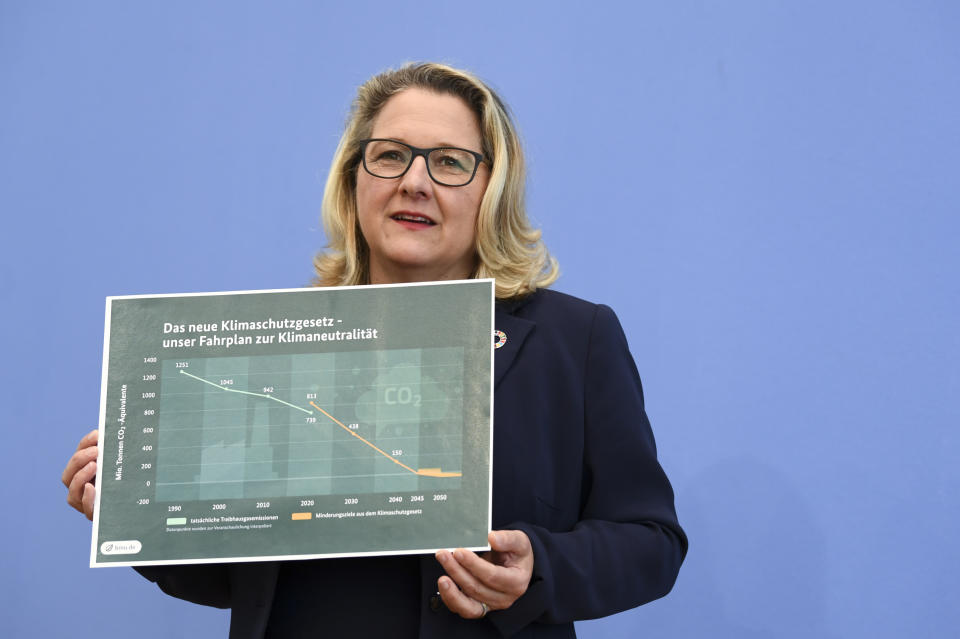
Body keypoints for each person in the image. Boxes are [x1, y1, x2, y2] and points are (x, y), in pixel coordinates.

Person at [63, 62, 687, 638]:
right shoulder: (275, 347)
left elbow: (650, 541)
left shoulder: (573, 339)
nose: (414, 182)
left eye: (448, 162)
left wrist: (539, 567)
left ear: (490, 188)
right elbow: (235, 580)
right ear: (354, 178)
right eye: (390, 156)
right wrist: (136, 516)